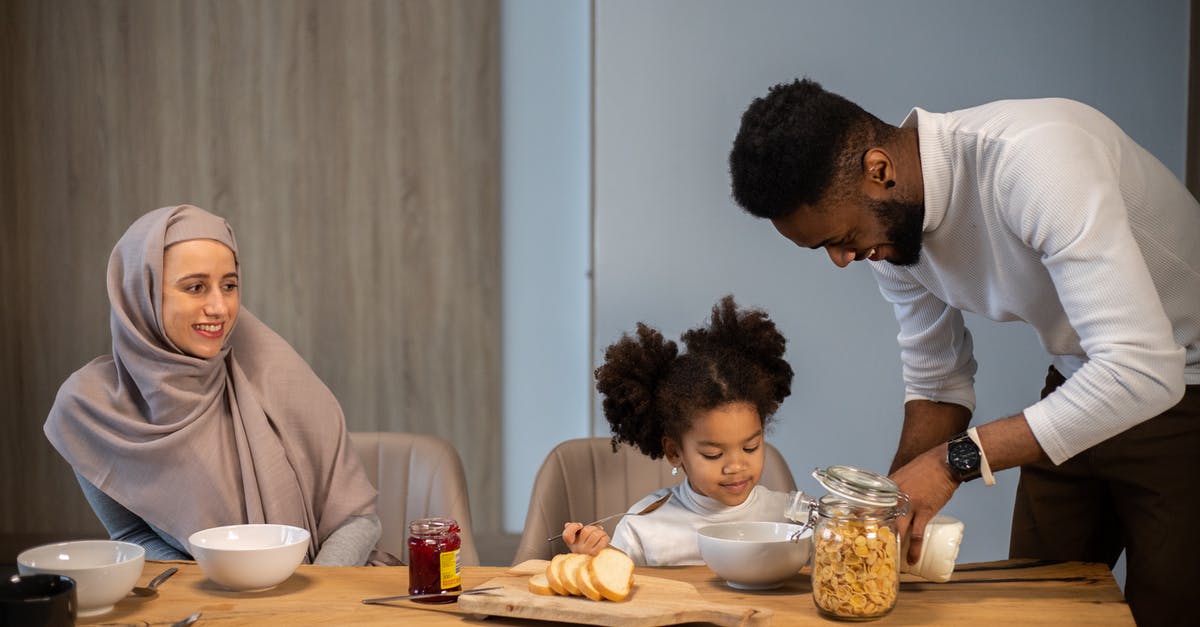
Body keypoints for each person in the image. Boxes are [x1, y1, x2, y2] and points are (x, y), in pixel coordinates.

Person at [728, 78, 1199, 626]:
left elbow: (1144, 370)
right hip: (1084, 381)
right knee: (1035, 606)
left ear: (880, 170)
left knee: (1168, 611)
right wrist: (886, 509)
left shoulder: (1035, 163)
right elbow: (938, 382)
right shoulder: (889, 235)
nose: (840, 259)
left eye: (841, 237)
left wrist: (955, 462)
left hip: (1184, 388)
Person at [45, 204, 382, 566]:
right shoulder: (89, 408)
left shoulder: (279, 374)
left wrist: (312, 603)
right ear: (141, 292)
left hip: (319, 595)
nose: (220, 307)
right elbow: (132, 534)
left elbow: (357, 519)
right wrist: (219, 585)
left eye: (229, 285)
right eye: (195, 287)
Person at [560, 295, 796, 566]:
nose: (736, 466)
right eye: (713, 454)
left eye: (750, 447)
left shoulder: (789, 518)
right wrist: (592, 557)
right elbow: (615, 580)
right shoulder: (645, 527)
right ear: (674, 452)